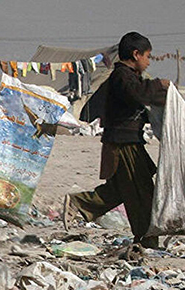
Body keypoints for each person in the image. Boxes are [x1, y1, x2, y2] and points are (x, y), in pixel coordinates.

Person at [63, 31, 171, 247]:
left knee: (123, 189)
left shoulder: (129, 77)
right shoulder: (122, 76)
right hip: (123, 143)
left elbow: (143, 94)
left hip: (128, 140)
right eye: (148, 57)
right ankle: (147, 239)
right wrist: (160, 86)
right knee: (141, 192)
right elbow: (139, 94)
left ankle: (79, 204)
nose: (149, 62)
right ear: (136, 54)